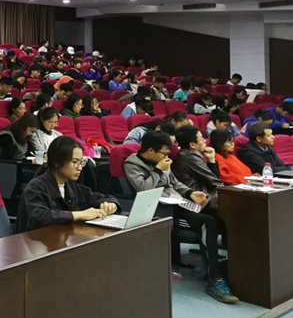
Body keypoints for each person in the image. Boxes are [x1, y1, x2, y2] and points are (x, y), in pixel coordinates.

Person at [123, 131, 236, 303]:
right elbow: (144, 189)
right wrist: (158, 170)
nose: (167, 157)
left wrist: (190, 193)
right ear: (151, 150)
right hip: (163, 209)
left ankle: (230, 268)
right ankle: (214, 279)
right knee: (208, 223)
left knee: (222, 214)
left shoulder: (162, 160)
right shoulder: (132, 163)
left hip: (179, 202)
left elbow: (174, 183)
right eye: (164, 153)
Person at [16, 136, 119, 233]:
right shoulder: (36, 187)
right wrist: (80, 215)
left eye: (81, 162)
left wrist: (110, 205)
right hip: (36, 242)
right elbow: (39, 217)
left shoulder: (71, 186)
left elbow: (99, 197)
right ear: (56, 162)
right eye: (75, 162)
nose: (80, 168)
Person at [172, 126, 223, 201]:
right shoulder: (190, 156)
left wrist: (211, 159)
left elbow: (212, 178)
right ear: (192, 145)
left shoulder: (186, 154)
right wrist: (228, 191)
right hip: (201, 197)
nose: (205, 141)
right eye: (202, 139)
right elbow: (213, 181)